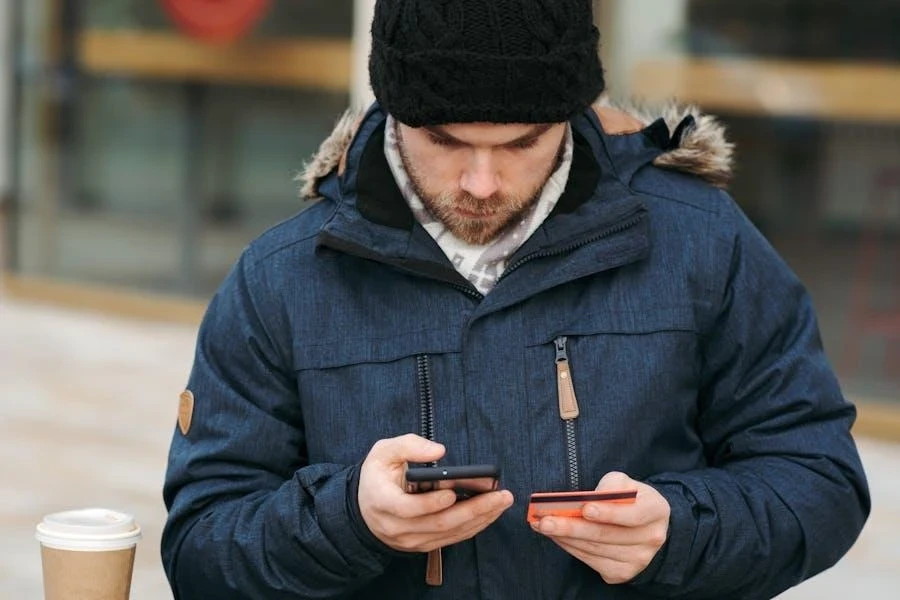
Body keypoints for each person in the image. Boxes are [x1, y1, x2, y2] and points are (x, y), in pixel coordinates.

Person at [161, 1, 870, 598]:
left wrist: (681, 531)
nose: (480, 182)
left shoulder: (703, 241)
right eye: (444, 141)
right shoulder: (282, 276)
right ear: (392, 109)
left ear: (571, 112)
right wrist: (348, 520)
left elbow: (820, 478)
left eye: (521, 143)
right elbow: (200, 544)